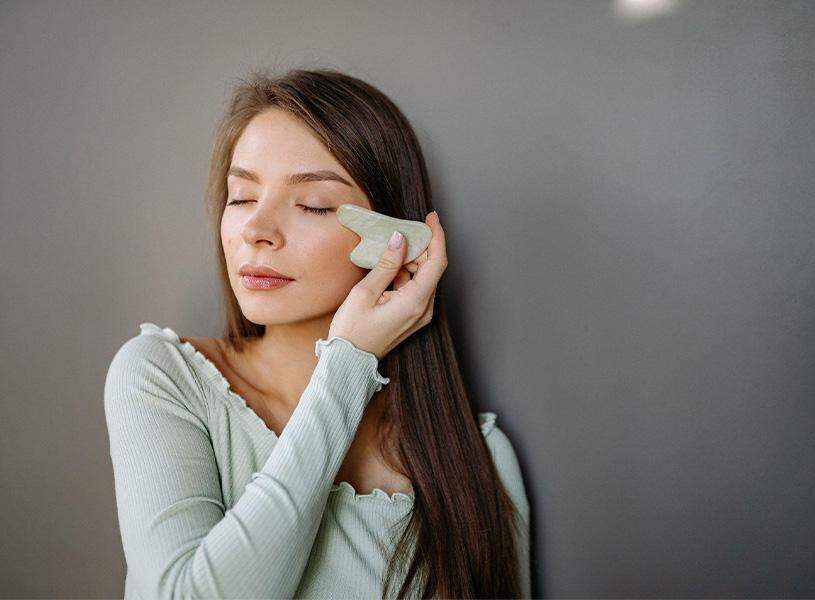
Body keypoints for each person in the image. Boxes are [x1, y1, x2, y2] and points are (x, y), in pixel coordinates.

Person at [103, 68, 531, 599]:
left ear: (396, 238)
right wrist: (348, 363)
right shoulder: (161, 375)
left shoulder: (478, 458)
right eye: (240, 197)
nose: (256, 230)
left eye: (314, 206)